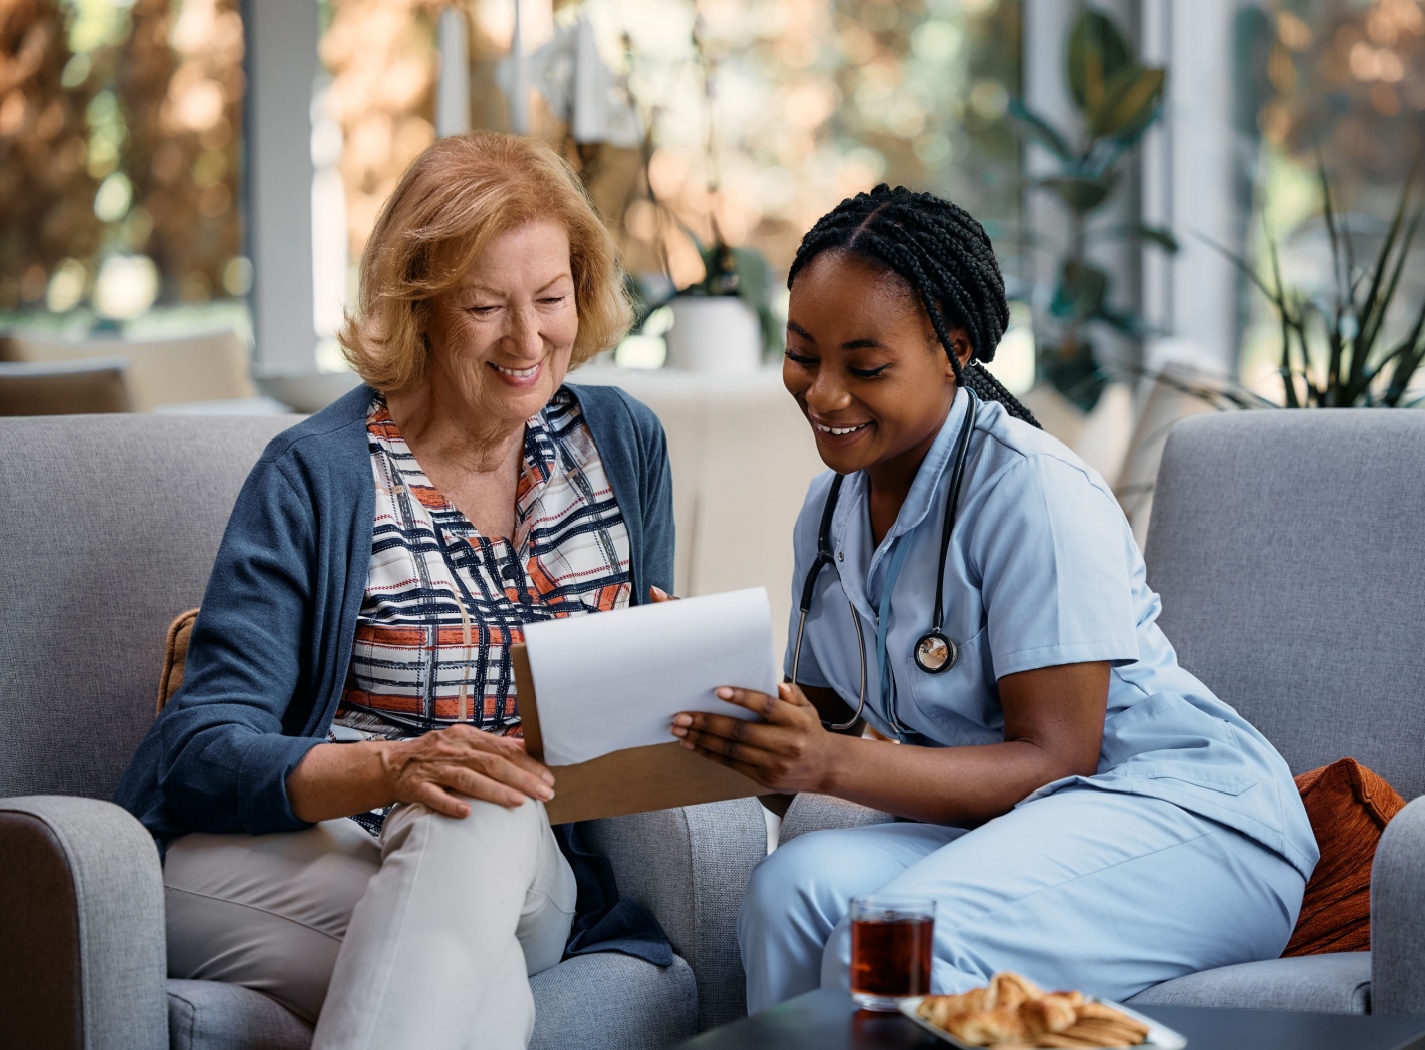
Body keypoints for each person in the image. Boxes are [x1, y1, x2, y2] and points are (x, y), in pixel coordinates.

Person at [670, 184, 1319, 1011]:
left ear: (954, 349)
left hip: (1189, 826)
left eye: (864, 366)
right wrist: (730, 719)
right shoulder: (829, 512)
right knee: (789, 891)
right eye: (803, 355)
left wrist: (825, 758)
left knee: (897, 941)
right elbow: (825, 735)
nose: (824, 394)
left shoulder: (1033, 491)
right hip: (1022, 832)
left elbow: (1057, 757)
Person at [114, 133, 675, 1050]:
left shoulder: (619, 445)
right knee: (470, 967)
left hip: (529, 866)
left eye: (550, 297)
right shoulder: (316, 474)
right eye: (486, 305)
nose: (528, 340)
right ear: (418, 307)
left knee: (483, 811)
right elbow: (200, 751)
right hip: (301, 855)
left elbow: (628, 708)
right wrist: (396, 766)